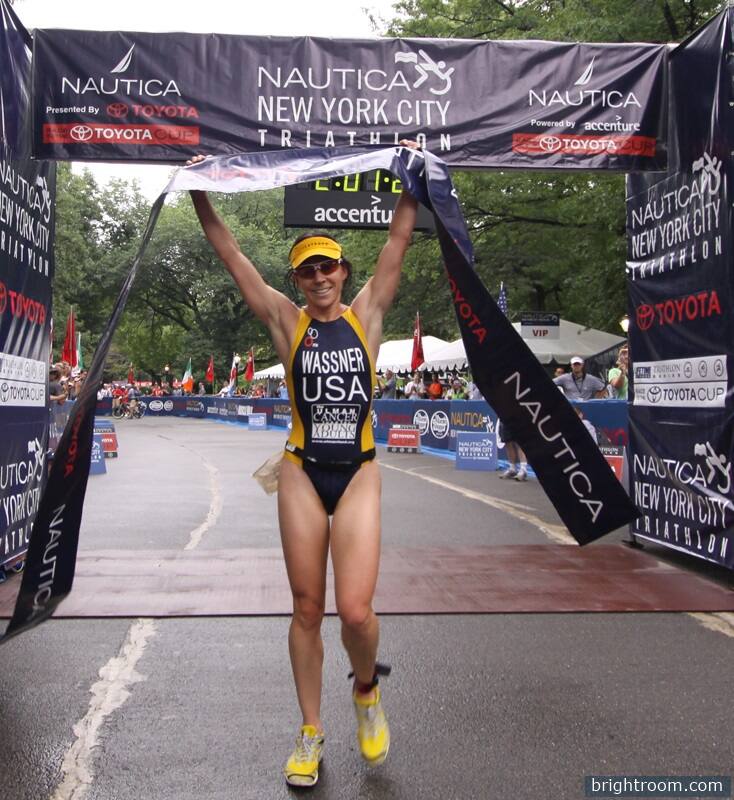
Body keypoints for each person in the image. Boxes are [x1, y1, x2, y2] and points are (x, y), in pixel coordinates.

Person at [188, 143, 419, 788]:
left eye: (328, 268)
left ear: (343, 272)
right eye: (307, 271)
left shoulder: (367, 315)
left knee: (356, 612)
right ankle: (311, 731)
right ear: (296, 281)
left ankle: (366, 689)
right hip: (301, 470)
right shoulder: (286, 322)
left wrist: (414, 175)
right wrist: (197, 187)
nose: (319, 278)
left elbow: (399, 240)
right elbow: (231, 255)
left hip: (359, 471)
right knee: (308, 608)